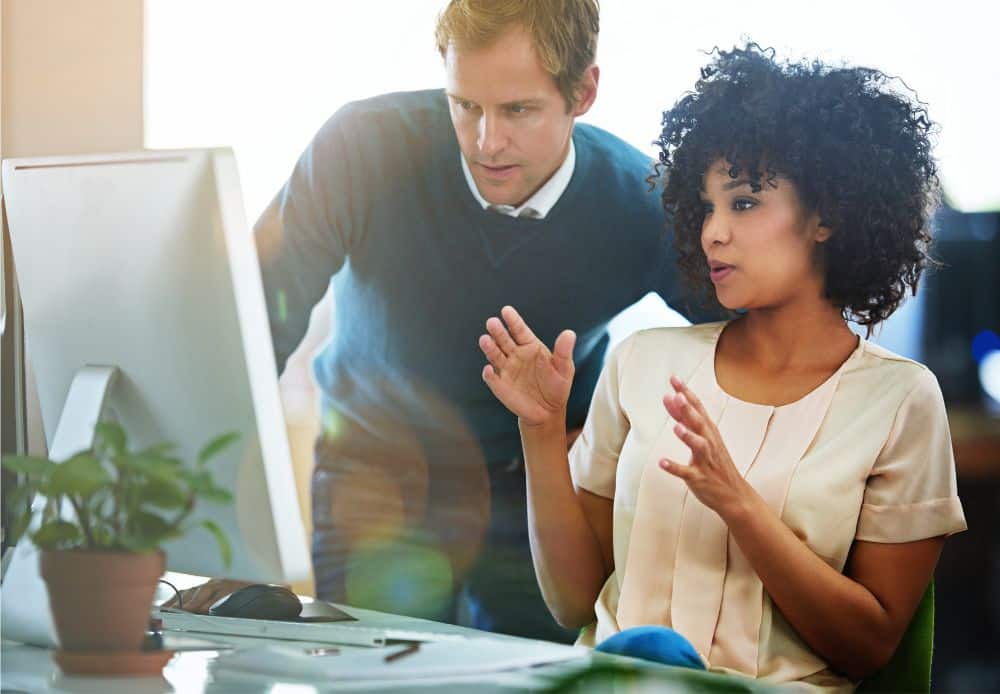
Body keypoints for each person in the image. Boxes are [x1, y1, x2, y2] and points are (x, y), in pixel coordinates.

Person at [168, 0, 712, 643]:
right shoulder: (360, 148)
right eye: (466, 105)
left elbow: (756, 336)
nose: (487, 142)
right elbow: (252, 330)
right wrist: (233, 548)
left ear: (583, 91)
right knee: (367, 674)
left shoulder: (641, 201)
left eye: (518, 110)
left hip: (532, 487)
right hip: (374, 473)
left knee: (526, 677)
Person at [479, 43, 967, 688]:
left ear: (827, 214)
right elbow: (572, 603)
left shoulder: (900, 399)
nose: (712, 232)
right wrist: (541, 430)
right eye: (705, 207)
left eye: (742, 203)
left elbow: (870, 646)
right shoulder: (644, 361)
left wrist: (739, 505)